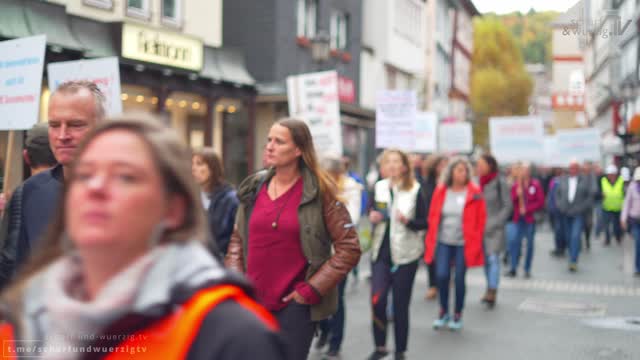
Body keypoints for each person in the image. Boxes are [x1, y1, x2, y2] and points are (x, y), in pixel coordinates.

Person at [0, 113, 287, 360]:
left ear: (173, 209)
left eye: (125, 176)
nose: (96, 188)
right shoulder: (21, 316)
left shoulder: (232, 335)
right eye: (85, 175)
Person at [225, 118, 361, 360]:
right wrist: (236, 282)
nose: (269, 146)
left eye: (279, 141)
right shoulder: (254, 187)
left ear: (298, 150)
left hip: (295, 307)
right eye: (269, 140)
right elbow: (237, 239)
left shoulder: (321, 192)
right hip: (252, 303)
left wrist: (311, 290)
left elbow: (349, 247)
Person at [0, 81, 105, 289]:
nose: (63, 135)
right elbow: (11, 278)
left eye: (76, 125)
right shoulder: (28, 193)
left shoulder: (129, 195)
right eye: (54, 125)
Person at [368, 149, 427, 360]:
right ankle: (380, 346)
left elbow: (424, 223)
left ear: (404, 166)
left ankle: (400, 350)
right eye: (388, 162)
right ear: (383, 166)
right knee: (378, 300)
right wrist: (373, 216)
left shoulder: (416, 189)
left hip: (405, 255)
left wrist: (407, 221)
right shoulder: (378, 187)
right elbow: (372, 211)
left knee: (401, 305)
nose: (392, 166)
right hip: (380, 254)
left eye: (396, 162)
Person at [425, 157, 486, 331]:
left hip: (463, 243)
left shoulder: (474, 191)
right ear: (451, 172)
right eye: (458, 170)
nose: (462, 173)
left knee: (459, 278)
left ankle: (457, 313)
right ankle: (443, 311)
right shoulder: (441, 191)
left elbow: (481, 217)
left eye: (465, 170)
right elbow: (433, 215)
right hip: (444, 241)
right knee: (442, 275)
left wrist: (477, 237)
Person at [316, 156, 362, 360]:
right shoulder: (316, 187)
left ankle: (336, 342)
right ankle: (324, 331)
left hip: (338, 253)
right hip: (318, 252)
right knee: (318, 295)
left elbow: (351, 218)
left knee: (336, 298)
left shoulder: (350, 188)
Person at [476, 154, 512, 307]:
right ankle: (488, 286)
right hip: (480, 228)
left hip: (495, 228)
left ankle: (493, 290)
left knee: (493, 259)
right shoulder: (477, 182)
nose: (479, 168)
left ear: (490, 165)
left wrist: (497, 222)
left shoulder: (499, 181)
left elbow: (507, 205)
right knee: (485, 261)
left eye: (482, 164)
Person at [191, 148, 238, 256]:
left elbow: (235, 238)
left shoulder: (230, 199)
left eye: (199, 164)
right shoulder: (193, 197)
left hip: (219, 263)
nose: (194, 168)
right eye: (192, 164)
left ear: (213, 168)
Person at [505, 163, 544, 278]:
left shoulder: (535, 185)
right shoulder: (516, 185)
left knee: (529, 245)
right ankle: (513, 267)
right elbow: (510, 200)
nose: (524, 172)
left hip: (529, 219)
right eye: (522, 170)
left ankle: (527, 268)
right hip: (517, 219)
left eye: (526, 170)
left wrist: (527, 209)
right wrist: (517, 195)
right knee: (514, 243)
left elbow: (540, 202)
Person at [555, 160, 594, 272]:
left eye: (575, 168)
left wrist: (582, 208)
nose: (573, 170)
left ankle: (573, 260)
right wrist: (560, 206)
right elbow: (557, 194)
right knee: (568, 237)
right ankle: (571, 254)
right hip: (565, 212)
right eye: (571, 168)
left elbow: (590, 197)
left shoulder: (585, 180)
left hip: (578, 213)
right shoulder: (563, 179)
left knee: (575, 236)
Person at [421, 155, 448, 300]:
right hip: (431, 224)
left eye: (446, 164)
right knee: (430, 255)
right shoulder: (428, 183)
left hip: (447, 225)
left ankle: (444, 278)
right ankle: (432, 285)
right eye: (441, 165)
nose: (443, 168)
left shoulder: (452, 184)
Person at [621, 168, 640, 277]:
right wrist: (623, 218)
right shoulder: (632, 188)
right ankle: (638, 267)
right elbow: (627, 203)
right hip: (635, 221)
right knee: (638, 243)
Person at [600, 165, 624, 246]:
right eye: (609, 174)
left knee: (616, 225)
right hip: (606, 207)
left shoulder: (621, 180)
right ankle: (607, 239)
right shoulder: (603, 180)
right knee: (606, 225)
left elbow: (624, 193)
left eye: (612, 174)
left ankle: (618, 237)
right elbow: (598, 192)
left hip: (618, 207)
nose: (611, 176)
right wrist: (601, 195)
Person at [549, 168, 567, 257]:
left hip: (560, 209)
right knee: (558, 229)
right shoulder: (554, 180)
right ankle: (559, 247)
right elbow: (551, 195)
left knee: (560, 229)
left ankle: (561, 247)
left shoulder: (562, 181)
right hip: (555, 209)